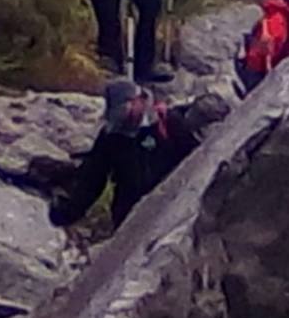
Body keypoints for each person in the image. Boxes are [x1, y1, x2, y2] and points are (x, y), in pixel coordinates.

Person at [49, 80, 229, 230]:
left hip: (168, 211)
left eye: (126, 108)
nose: (123, 117)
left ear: (139, 100)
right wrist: (68, 212)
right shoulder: (111, 136)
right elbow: (92, 179)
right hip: (127, 216)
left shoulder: (171, 123)